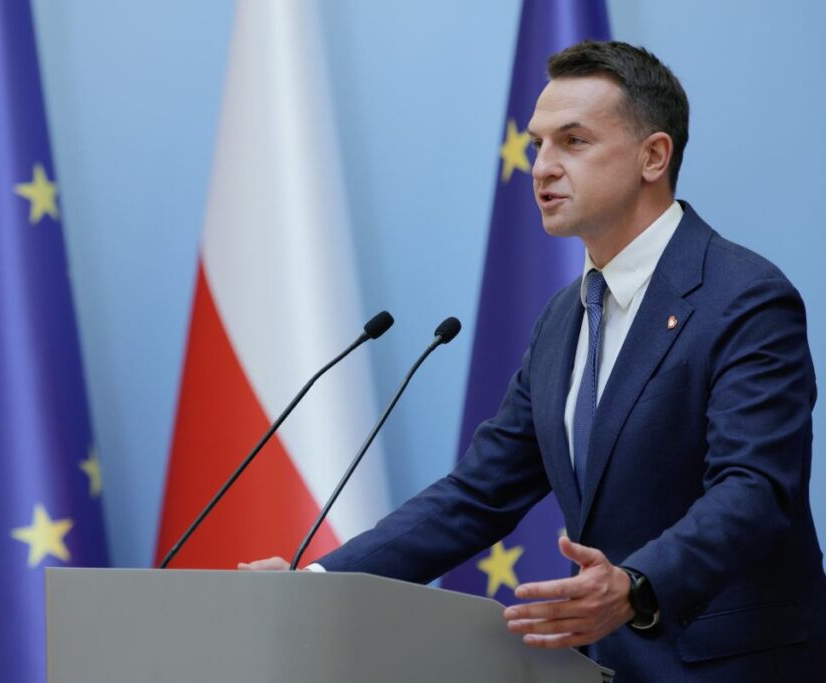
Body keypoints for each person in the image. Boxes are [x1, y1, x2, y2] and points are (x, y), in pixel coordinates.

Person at [240, 40, 825, 681]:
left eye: (573, 142)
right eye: (537, 144)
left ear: (653, 156)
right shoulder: (565, 317)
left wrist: (636, 585)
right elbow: (479, 493)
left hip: (730, 666)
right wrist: (318, 582)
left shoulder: (743, 298)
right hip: (601, 667)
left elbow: (754, 488)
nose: (541, 167)